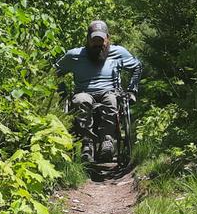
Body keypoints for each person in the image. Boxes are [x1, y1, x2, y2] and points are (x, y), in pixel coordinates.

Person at [53, 20, 142, 164]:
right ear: (87, 39)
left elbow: (137, 67)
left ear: (108, 38)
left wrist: (132, 90)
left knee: (111, 100)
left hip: (110, 91)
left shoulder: (118, 52)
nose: (98, 44)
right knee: (81, 101)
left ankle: (107, 141)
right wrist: (63, 93)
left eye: (101, 40)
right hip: (84, 92)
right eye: (94, 40)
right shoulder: (74, 55)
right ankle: (87, 145)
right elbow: (55, 71)